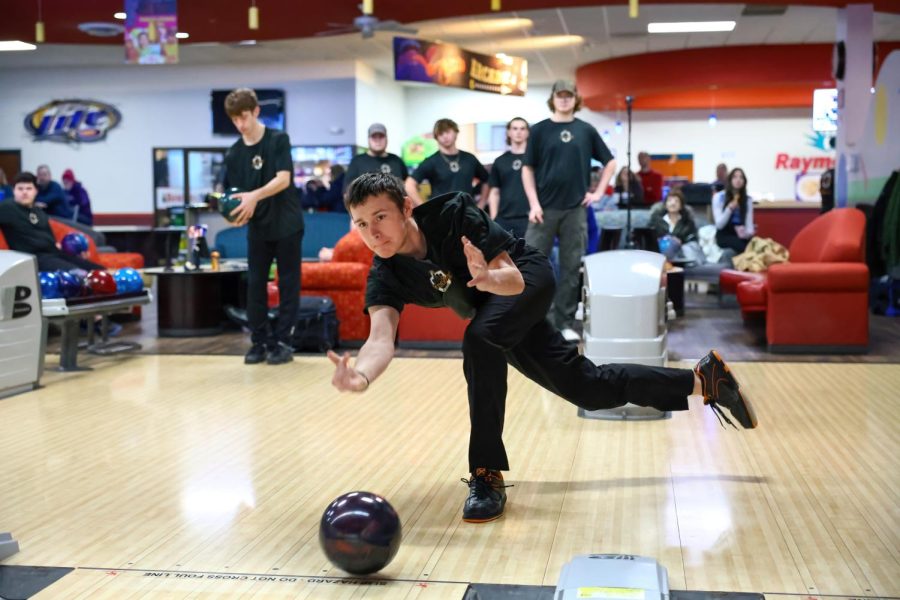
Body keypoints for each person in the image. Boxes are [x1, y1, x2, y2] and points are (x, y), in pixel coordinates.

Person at [328, 172, 758, 524]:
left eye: (380, 216)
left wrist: (487, 279)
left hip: (526, 279)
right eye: (362, 224)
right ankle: (704, 380)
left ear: (406, 208)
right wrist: (361, 375)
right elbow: (380, 337)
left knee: (478, 340)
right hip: (494, 316)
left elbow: (512, 280)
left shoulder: (452, 212)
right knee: (588, 388)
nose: (373, 233)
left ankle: (486, 473)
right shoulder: (385, 273)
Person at [522, 80, 617, 342]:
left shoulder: (585, 130)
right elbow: (527, 168)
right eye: (559, 95)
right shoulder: (539, 130)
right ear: (553, 98)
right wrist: (533, 204)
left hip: (575, 210)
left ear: (575, 99)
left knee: (571, 266)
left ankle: (562, 322)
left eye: (568, 95)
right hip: (543, 210)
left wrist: (597, 193)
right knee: (532, 265)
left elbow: (610, 162)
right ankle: (532, 321)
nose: (564, 100)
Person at [223, 88, 304, 366]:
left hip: (287, 223)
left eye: (243, 117)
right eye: (235, 120)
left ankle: (283, 341)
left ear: (256, 111)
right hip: (258, 228)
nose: (240, 124)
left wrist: (254, 196)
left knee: (289, 284)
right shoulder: (234, 154)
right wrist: (231, 213)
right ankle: (260, 341)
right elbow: (232, 195)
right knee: (255, 284)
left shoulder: (278, 140)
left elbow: (283, 179)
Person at [0, 172, 103, 272]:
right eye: (20, 188)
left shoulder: (39, 211)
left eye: (29, 188)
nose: (25, 192)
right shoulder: (7, 208)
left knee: (98, 269)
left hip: (54, 253)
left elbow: (50, 238)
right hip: (33, 258)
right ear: (14, 191)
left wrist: (62, 247)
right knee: (78, 273)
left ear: (35, 191)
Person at [405, 118, 489, 206]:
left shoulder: (470, 159)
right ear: (436, 137)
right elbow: (409, 185)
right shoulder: (431, 161)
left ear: (456, 132)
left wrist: (481, 204)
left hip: (467, 213)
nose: (445, 136)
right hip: (441, 214)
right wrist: (424, 208)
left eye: (448, 132)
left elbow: (487, 180)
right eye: (440, 134)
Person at [486, 117, 530, 239]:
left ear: (527, 132)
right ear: (509, 132)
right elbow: (494, 192)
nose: (518, 132)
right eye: (514, 128)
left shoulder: (536, 160)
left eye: (522, 128)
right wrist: (494, 219)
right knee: (507, 257)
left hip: (530, 218)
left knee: (532, 257)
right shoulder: (500, 161)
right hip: (504, 220)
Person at [345, 123, 409, 195]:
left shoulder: (397, 160)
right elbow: (347, 191)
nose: (378, 140)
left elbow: (408, 187)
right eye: (374, 137)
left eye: (381, 136)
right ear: (368, 139)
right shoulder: (356, 161)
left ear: (386, 139)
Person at [712, 167, 754, 253]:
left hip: (741, 234)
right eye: (735, 177)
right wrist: (729, 209)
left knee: (757, 246)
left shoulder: (748, 200)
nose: (738, 180)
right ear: (730, 180)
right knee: (745, 248)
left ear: (744, 181)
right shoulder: (719, 197)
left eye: (741, 177)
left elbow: (749, 225)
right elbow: (719, 225)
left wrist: (747, 233)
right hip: (724, 235)